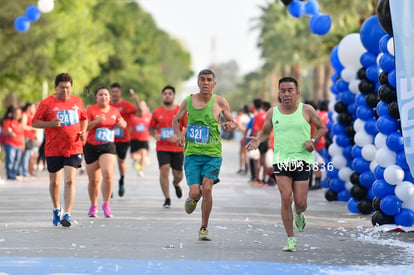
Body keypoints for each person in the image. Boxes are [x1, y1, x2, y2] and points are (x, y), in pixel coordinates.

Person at [246, 76, 326, 252]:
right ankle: (291, 238)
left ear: (297, 92)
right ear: (279, 94)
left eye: (290, 90)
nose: (287, 94)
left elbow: (321, 128)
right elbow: (265, 131)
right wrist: (258, 140)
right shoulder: (272, 112)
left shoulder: (307, 110)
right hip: (281, 159)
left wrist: (313, 141)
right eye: (283, 91)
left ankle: (299, 213)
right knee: (285, 198)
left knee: (300, 202)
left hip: (303, 160)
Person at [172, 69, 236, 241]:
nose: (206, 83)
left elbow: (231, 121)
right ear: (198, 83)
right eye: (202, 80)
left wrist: (230, 125)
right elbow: (175, 120)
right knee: (196, 192)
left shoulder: (220, 102)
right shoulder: (188, 101)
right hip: (192, 154)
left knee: (207, 188)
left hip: (213, 154)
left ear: (214, 84)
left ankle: (203, 227)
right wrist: (179, 135)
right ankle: (192, 197)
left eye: (209, 80)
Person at [32, 73, 88, 227]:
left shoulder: (77, 101)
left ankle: (68, 214)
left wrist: (84, 131)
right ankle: (57, 208)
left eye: (68, 87)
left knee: (70, 180)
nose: (65, 90)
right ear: (55, 87)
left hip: (74, 147)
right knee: (55, 182)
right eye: (62, 87)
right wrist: (50, 123)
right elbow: (35, 123)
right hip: (53, 148)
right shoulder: (46, 103)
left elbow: (84, 117)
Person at [84, 86, 127, 218]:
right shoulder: (90, 110)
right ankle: (93, 205)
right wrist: (97, 121)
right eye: (100, 95)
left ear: (109, 98)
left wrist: (122, 123)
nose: (103, 97)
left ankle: (106, 204)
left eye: (106, 95)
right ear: (96, 97)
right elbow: (85, 127)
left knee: (108, 173)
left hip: (108, 146)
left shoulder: (114, 111)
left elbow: (123, 124)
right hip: (91, 146)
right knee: (93, 181)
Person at [149, 85, 186, 208]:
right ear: (162, 96)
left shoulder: (180, 111)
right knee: (164, 170)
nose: (167, 95)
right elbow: (151, 127)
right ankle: (167, 198)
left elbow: (187, 126)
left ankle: (176, 184)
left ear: (174, 96)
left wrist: (179, 136)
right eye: (165, 93)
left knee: (178, 175)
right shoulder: (157, 112)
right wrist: (155, 135)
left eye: (170, 93)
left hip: (177, 147)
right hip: (162, 147)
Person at [110, 83, 138, 197]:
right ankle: (109, 185)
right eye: (113, 91)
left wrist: (136, 101)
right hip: (109, 139)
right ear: (110, 93)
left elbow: (140, 113)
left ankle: (121, 180)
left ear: (120, 93)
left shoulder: (126, 105)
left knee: (121, 162)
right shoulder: (107, 105)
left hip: (123, 138)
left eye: (117, 91)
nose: (115, 93)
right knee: (109, 163)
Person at [1, 106, 24, 180]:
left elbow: (22, 135)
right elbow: (4, 132)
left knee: (17, 160)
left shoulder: (20, 124)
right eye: (16, 113)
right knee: (10, 159)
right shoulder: (8, 122)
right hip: (10, 144)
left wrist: (23, 144)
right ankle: (10, 175)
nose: (17, 115)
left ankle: (14, 174)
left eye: (19, 114)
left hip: (19, 145)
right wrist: (10, 133)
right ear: (13, 114)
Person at [130, 100, 152, 177]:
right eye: (140, 105)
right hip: (134, 139)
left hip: (144, 140)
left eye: (143, 105)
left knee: (143, 153)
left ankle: (140, 170)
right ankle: (140, 161)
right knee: (133, 156)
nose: (141, 107)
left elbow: (154, 125)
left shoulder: (149, 116)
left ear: (146, 108)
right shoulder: (133, 116)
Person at [19, 103, 38, 178]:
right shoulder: (25, 114)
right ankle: (23, 171)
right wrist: (32, 128)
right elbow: (23, 126)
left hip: (31, 137)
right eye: (33, 107)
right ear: (29, 107)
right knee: (25, 155)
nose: (34, 109)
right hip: (25, 137)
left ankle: (25, 171)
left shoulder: (31, 115)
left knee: (29, 155)